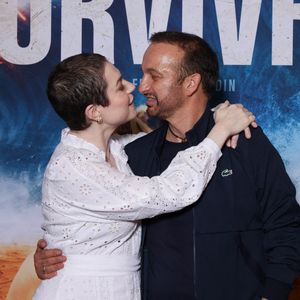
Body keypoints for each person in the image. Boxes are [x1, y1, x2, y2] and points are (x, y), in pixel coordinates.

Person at [34, 32, 300, 300]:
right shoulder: (134, 155)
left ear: (191, 83)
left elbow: (285, 222)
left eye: (154, 76)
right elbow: (90, 219)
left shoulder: (243, 141)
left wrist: (273, 293)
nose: (140, 86)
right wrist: (58, 253)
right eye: (137, 77)